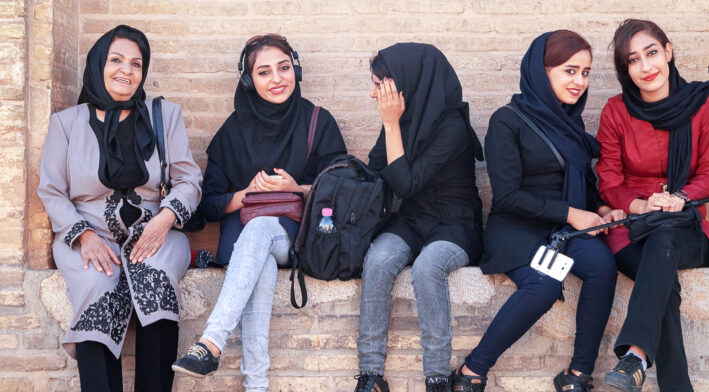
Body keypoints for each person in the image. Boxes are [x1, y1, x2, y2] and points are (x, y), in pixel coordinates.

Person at [171, 34, 347, 392]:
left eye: (284, 68)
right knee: (260, 262)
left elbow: (343, 190)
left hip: (295, 237)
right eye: (264, 72)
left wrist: (295, 188)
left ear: (295, 69)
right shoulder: (233, 131)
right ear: (249, 80)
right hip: (246, 249)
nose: (277, 79)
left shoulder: (317, 121)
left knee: (261, 229)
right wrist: (245, 195)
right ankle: (256, 385)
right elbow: (206, 206)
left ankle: (211, 343)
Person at [450, 31, 623, 392]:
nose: (579, 82)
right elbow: (509, 195)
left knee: (602, 264)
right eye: (570, 71)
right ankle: (472, 370)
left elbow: (585, 184)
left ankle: (577, 375)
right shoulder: (507, 121)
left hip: (562, 228)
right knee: (543, 285)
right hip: (516, 227)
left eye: (586, 73)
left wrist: (602, 210)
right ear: (541, 71)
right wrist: (574, 214)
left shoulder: (570, 124)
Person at [37, 25, 202, 392]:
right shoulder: (66, 124)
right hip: (89, 236)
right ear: (99, 64)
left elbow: (190, 181)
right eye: (116, 60)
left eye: (136, 64)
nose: (126, 71)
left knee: (155, 280)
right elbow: (51, 191)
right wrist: (85, 237)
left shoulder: (165, 115)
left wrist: (165, 219)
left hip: (157, 233)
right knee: (97, 284)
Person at [596, 19, 709, 392]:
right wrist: (641, 204)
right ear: (625, 70)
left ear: (668, 51)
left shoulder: (701, 102)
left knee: (665, 242)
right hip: (632, 228)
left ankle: (635, 356)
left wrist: (681, 198)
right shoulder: (615, 112)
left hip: (684, 223)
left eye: (652, 53)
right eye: (633, 60)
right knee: (663, 285)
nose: (646, 66)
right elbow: (608, 178)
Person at [353, 43, 485, 392]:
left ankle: (438, 376)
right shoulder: (400, 121)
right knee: (379, 259)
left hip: (453, 224)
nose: (374, 94)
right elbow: (377, 172)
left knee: (428, 267)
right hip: (411, 221)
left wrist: (391, 124)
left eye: (380, 85)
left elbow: (407, 184)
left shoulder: (452, 127)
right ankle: (370, 374)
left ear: (407, 85)